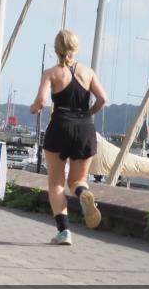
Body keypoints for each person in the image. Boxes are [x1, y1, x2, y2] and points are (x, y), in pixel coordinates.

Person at [30, 29, 106, 245]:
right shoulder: (88, 73)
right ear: (76, 48)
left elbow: (42, 101)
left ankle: (64, 232)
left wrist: (34, 108)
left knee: (56, 183)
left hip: (60, 126)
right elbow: (103, 98)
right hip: (84, 128)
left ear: (56, 49)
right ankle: (82, 192)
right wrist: (88, 113)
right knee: (77, 180)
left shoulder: (52, 73)